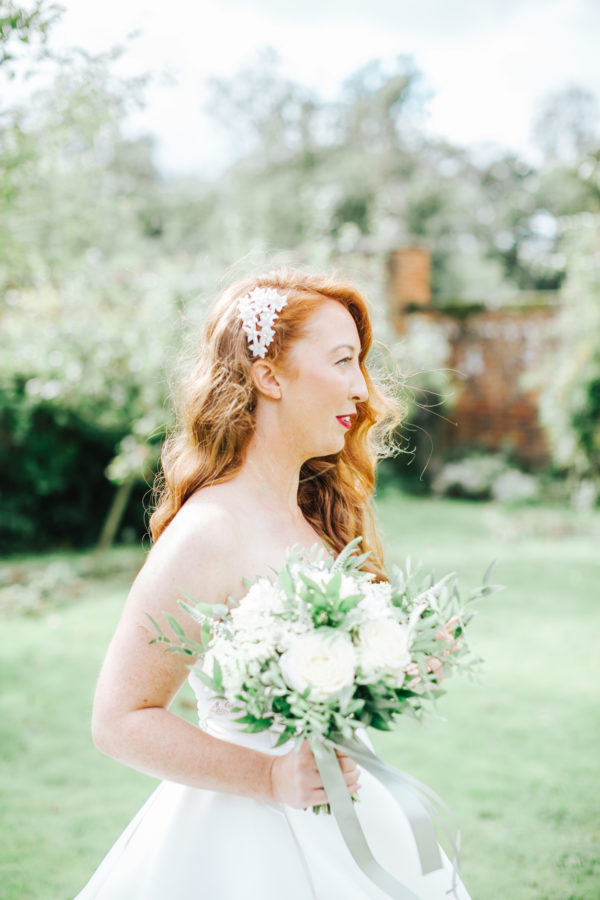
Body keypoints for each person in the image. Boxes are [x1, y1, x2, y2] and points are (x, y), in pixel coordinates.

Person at [74, 268, 471, 899]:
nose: (363, 389)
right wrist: (267, 779)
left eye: (361, 363)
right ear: (269, 375)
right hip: (246, 842)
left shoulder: (318, 514)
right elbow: (118, 719)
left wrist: (404, 657)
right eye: (342, 361)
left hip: (352, 812)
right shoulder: (208, 533)